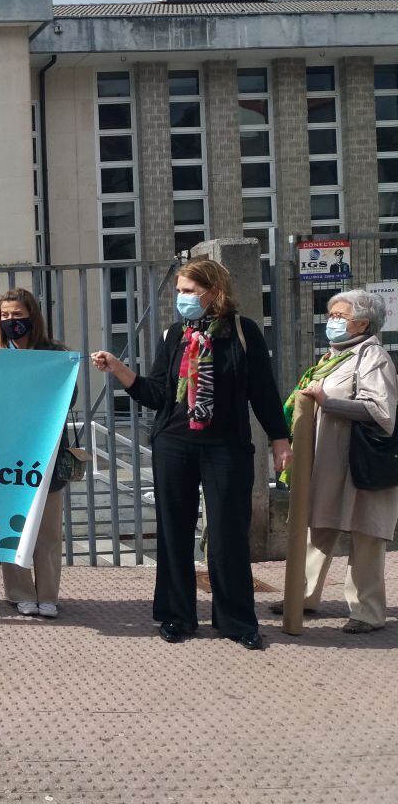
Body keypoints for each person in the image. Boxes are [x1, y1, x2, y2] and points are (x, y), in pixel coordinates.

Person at [90, 258, 291, 650]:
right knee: (173, 530)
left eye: (188, 291)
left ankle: (235, 621)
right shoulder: (175, 335)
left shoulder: (242, 332)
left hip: (226, 447)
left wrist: (279, 440)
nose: (181, 298)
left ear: (214, 292)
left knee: (228, 533)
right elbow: (158, 394)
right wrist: (119, 371)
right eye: (179, 291)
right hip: (174, 444)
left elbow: (263, 392)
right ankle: (176, 616)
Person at [271, 290, 397, 633]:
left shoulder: (374, 357)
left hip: (362, 466)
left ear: (362, 323)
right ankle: (303, 596)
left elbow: (382, 412)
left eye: (340, 316)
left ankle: (368, 612)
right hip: (328, 464)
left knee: (366, 535)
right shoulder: (334, 357)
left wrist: (328, 402)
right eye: (332, 315)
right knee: (317, 527)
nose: (333, 322)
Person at [0, 288, 72, 619]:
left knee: (49, 529)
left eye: (18, 315)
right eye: (5, 316)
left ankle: (48, 596)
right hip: (8, 453)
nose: (12, 321)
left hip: (48, 452)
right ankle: (19, 592)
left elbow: (69, 395)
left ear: (33, 316)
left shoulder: (57, 354)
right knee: (13, 525)